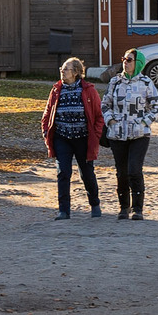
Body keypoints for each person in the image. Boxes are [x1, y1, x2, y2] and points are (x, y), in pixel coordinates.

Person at [100, 49, 158, 220]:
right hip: (117, 134)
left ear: (138, 63)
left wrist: (143, 122)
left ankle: (138, 208)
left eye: (129, 59)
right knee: (121, 172)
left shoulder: (146, 82)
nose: (125, 62)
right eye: (124, 59)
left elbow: (156, 108)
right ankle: (123, 207)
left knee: (134, 169)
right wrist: (110, 120)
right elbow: (105, 104)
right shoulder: (115, 82)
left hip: (139, 135)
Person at [40, 57, 106, 220]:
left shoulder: (89, 90)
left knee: (87, 173)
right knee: (63, 172)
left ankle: (95, 204)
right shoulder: (56, 90)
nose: (62, 71)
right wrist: (46, 131)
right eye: (61, 68)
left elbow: (99, 116)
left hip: (83, 138)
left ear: (76, 72)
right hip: (62, 137)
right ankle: (64, 210)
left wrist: (96, 135)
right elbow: (48, 113)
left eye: (66, 69)